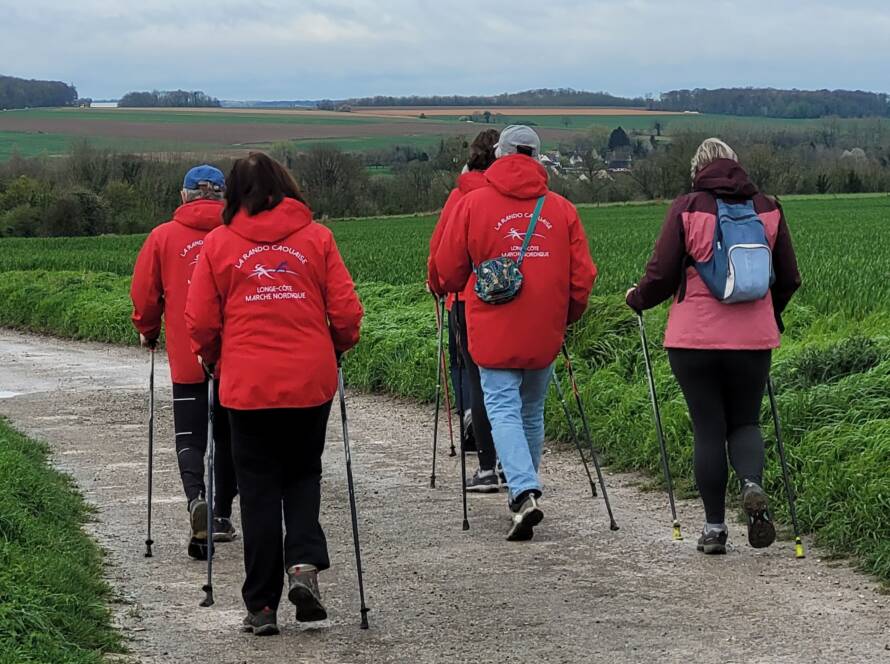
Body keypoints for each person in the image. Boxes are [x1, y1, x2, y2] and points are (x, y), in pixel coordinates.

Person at [185, 152, 363, 636]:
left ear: (235, 195)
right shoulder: (317, 238)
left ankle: (262, 606)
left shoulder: (219, 244)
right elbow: (345, 312)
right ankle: (303, 564)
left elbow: (200, 321)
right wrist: (339, 346)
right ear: (284, 187)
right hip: (310, 379)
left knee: (258, 489)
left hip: (246, 386)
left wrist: (215, 357)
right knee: (303, 473)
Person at [625, 138, 801, 555]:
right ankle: (752, 485)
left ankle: (714, 529)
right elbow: (790, 276)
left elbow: (662, 274)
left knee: (709, 428)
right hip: (753, 340)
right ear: (737, 166)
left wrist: (637, 299)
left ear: (697, 169)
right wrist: (768, 314)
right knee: (746, 422)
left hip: (694, 339)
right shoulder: (768, 207)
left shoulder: (688, 207)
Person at [435, 125, 597, 540]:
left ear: (501, 156)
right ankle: (524, 484)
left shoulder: (473, 205)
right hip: (545, 326)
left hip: (492, 324)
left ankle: (523, 490)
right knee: (531, 409)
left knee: (502, 406)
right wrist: (567, 316)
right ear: (537, 158)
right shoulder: (561, 208)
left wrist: (443, 286)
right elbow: (582, 277)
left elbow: (450, 269)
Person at [130, 164, 239, 561]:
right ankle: (223, 515)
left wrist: (148, 330)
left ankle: (197, 500)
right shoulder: (238, 235)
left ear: (184, 197)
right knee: (228, 436)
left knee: (190, 437)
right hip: (237, 359)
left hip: (187, 357)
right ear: (224, 197)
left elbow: (145, 295)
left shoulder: (162, 237)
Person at [428, 129, 503, 492]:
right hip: (519, 301)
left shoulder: (460, 195)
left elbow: (441, 245)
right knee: (509, 382)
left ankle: (481, 446)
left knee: (472, 373)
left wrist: (437, 284)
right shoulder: (515, 196)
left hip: (466, 299)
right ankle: (511, 458)